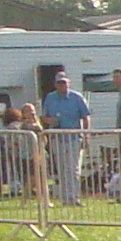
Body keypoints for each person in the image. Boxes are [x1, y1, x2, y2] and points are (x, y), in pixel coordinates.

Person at [38, 63, 88, 203]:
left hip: (74, 137)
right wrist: (50, 121)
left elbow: (86, 116)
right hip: (57, 138)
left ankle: (74, 197)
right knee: (62, 169)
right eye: (59, 83)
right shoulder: (50, 98)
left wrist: (86, 134)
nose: (62, 86)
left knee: (73, 168)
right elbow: (44, 116)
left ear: (68, 83)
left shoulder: (77, 97)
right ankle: (65, 197)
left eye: (64, 83)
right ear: (56, 84)